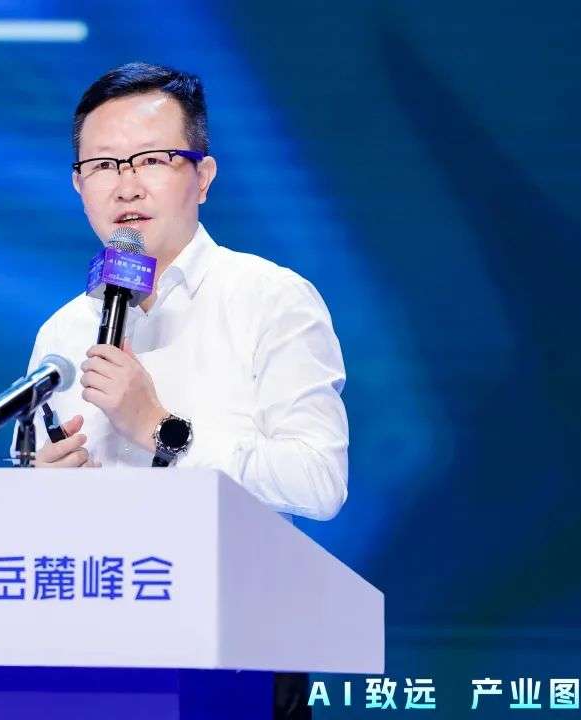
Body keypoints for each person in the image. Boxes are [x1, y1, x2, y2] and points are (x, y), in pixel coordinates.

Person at [21, 62, 348, 719]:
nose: (126, 184)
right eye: (103, 165)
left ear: (202, 176)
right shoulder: (63, 330)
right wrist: (41, 488)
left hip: (236, 648)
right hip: (89, 651)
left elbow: (319, 483)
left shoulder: (271, 300)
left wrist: (159, 428)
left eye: (151, 159)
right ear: (79, 185)